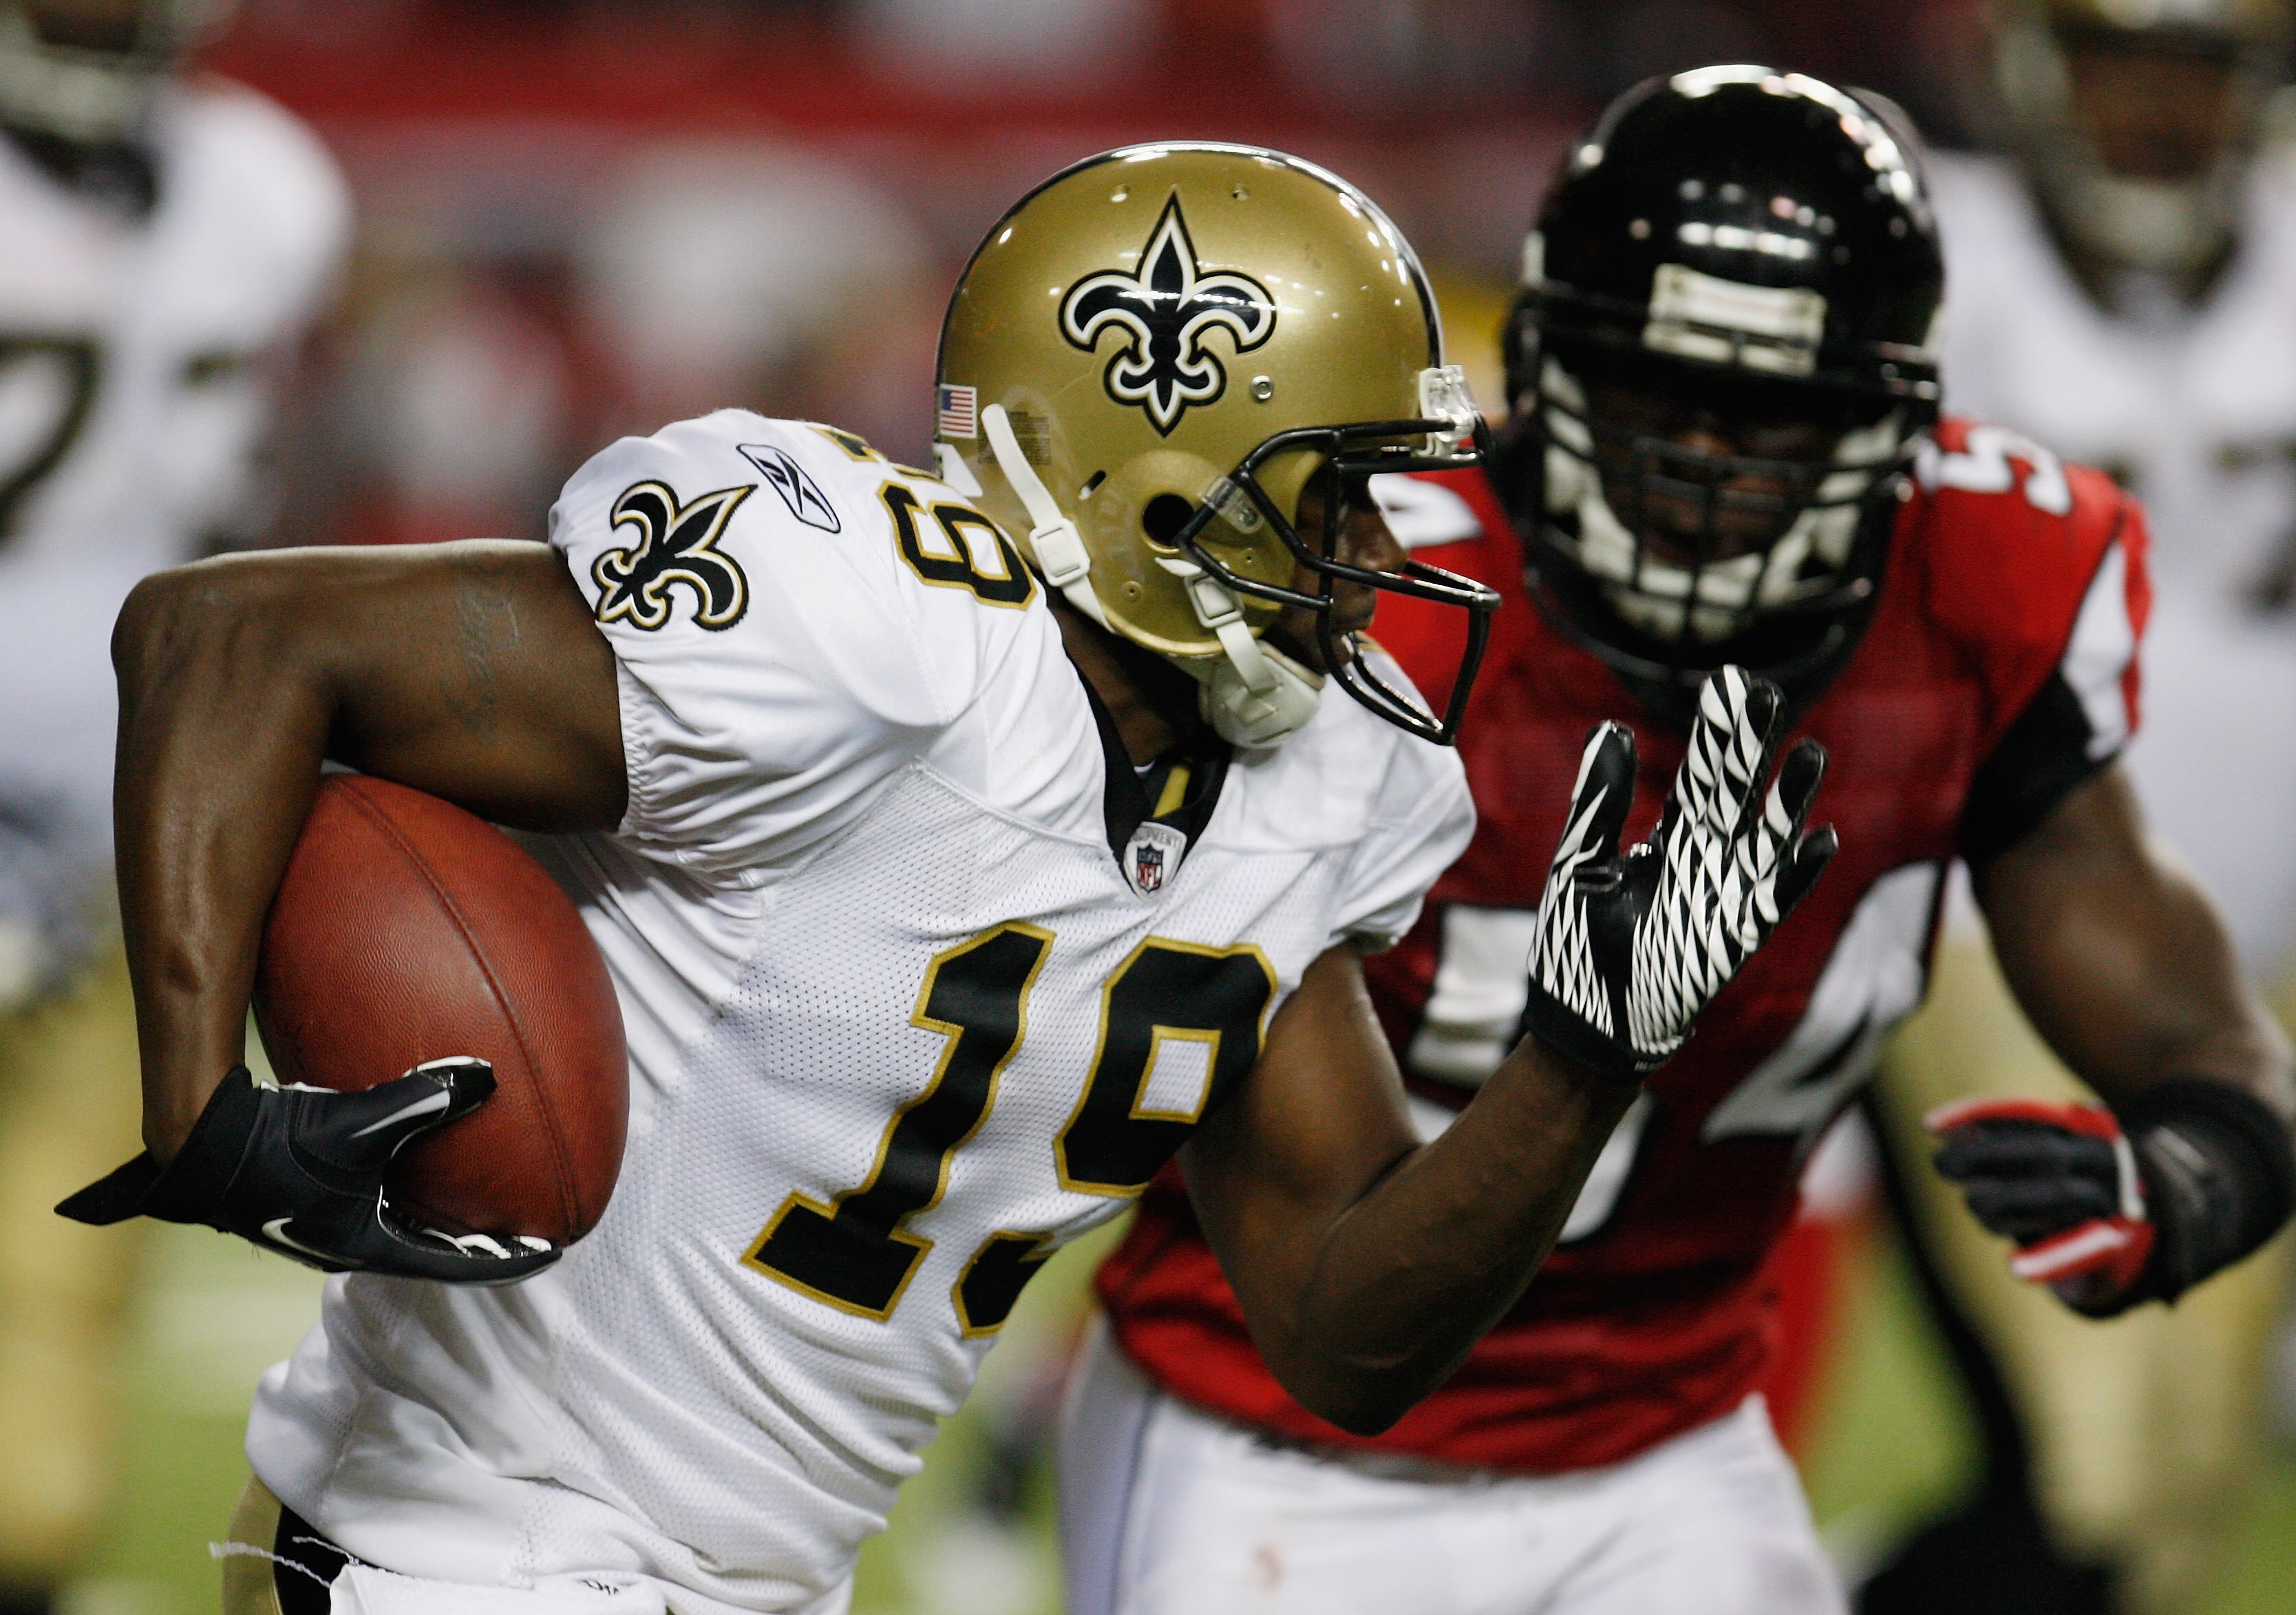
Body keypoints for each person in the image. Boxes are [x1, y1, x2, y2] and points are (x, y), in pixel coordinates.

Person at [52, 142, 1827, 1615]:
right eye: (1336, 497)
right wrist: (203, 1095)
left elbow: (1347, 1335)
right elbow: (230, 635)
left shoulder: (1322, 789)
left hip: (757, 1581)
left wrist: (1580, 1066)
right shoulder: (876, 639)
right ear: (1152, 467)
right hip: (461, 1548)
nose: (1381, 558)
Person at [1063, 69, 2296, 1615]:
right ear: (1546, 366)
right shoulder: (1365, 606)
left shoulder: (1982, 583)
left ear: (1889, 421)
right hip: (1282, 1446)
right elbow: (1345, 1343)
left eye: (1773, 414)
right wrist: (1582, 1060)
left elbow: (2187, 1014)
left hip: (1674, 1451)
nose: (1702, 467)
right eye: (1655, 395)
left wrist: (2204, 1163)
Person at [1859, 4, 2296, 1607]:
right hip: (2008, 935)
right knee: (2099, 1472)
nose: (2159, 109)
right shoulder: (1934, 260)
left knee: (2186, 1499)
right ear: (2039, 71)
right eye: (2122, 60)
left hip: (2256, 961)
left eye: (2198, 66)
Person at [0, 2, 346, 1611]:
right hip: (94, 794)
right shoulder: (267, 183)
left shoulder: (262, 186)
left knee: (36, 1460)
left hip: (123, 818)